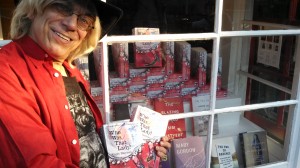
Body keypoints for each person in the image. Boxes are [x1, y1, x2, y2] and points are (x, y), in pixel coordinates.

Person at [0, 0, 171, 167]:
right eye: (62, 7)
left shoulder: (70, 70)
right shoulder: (6, 70)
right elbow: (37, 162)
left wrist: (142, 150)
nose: (72, 25)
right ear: (33, 9)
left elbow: (90, 140)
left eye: (84, 20)